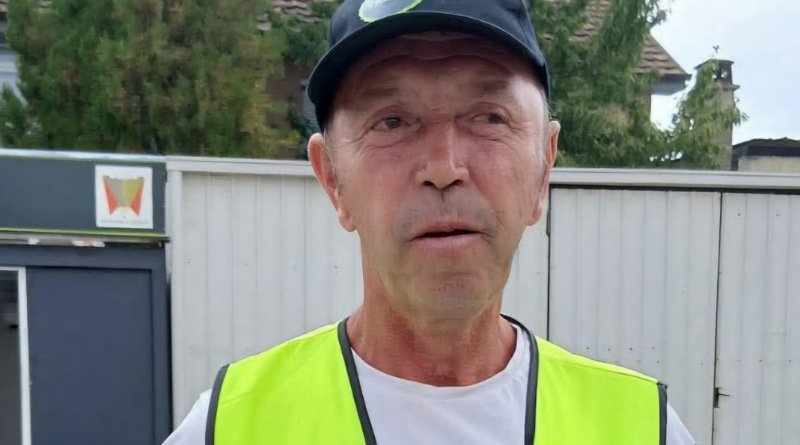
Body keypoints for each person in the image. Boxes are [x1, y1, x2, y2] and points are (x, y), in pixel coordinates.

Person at [165, 0, 696, 443]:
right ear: (332, 179)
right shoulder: (226, 428)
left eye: (489, 116)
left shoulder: (644, 429)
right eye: (392, 121)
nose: (444, 168)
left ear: (543, 168)